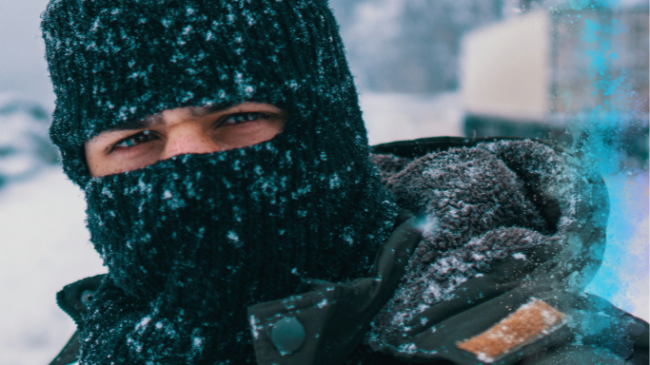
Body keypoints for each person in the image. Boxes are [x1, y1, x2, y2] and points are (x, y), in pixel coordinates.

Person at [41, 1, 647, 364]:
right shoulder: (100, 346)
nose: (190, 163)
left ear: (328, 130)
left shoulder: (560, 345)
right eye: (132, 140)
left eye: (238, 119)